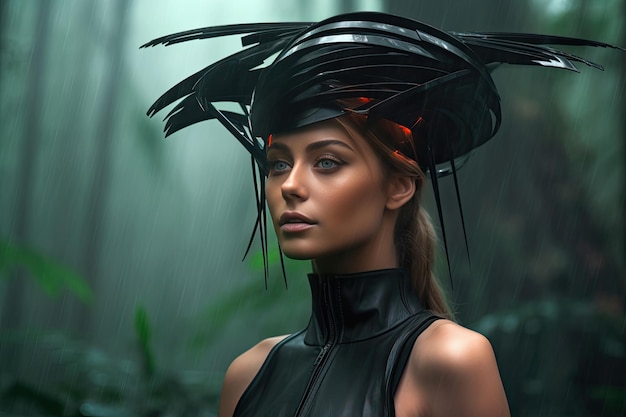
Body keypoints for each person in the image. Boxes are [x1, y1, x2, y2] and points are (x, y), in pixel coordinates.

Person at [142, 12, 623, 417]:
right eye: (277, 163)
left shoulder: (450, 362)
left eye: (327, 161)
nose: (289, 185)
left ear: (399, 184)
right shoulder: (249, 374)